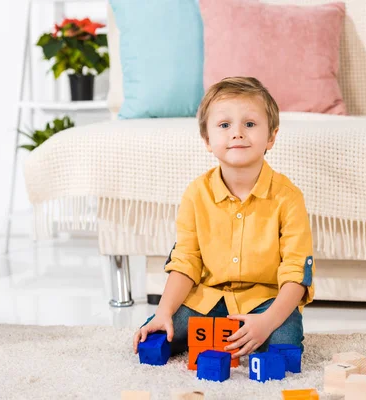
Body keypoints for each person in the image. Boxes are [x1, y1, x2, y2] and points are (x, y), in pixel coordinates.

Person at [133, 76, 315, 359]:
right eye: (224, 125)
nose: (238, 133)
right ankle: (186, 327)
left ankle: (258, 331)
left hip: (265, 301)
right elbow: (186, 260)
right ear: (207, 140)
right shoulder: (195, 194)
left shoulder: (288, 197)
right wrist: (164, 312)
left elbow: (296, 272)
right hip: (208, 297)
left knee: (284, 346)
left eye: (250, 124)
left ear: (271, 137)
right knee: (159, 334)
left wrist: (266, 322)